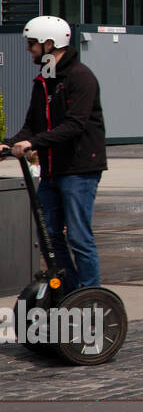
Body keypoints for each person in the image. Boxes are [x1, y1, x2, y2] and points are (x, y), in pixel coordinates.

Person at [0, 16, 108, 290]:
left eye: (32, 44)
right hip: (52, 169)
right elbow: (31, 125)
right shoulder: (44, 80)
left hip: (79, 169)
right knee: (49, 234)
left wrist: (33, 143)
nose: (28, 49)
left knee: (79, 237)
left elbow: (75, 125)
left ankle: (90, 294)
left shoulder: (80, 77)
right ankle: (71, 290)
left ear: (50, 44)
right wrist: (9, 143)